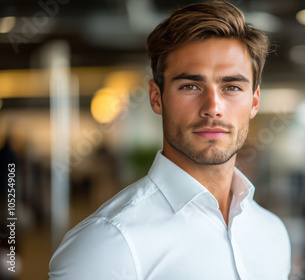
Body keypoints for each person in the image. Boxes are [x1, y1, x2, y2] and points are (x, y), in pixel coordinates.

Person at [48, 1, 291, 279]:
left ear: (254, 101)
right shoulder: (106, 245)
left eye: (232, 87)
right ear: (156, 97)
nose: (213, 106)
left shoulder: (273, 233)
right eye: (190, 86)